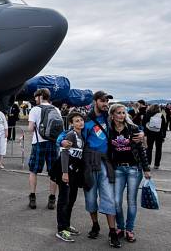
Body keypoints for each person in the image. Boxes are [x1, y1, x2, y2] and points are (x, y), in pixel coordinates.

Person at [57, 91, 143, 248]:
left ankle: (112, 231)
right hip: (88, 163)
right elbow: (66, 133)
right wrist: (61, 141)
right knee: (90, 199)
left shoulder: (109, 118)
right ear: (95, 101)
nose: (106, 104)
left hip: (105, 162)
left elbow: (129, 125)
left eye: (107, 101)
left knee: (109, 197)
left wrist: (141, 133)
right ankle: (95, 225)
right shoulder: (86, 120)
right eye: (103, 101)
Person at [107, 104, 150, 243]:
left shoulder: (133, 129)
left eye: (123, 113)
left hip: (133, 169)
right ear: (112, 115)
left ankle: (129, 229)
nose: (122, 115)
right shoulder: (109, 130)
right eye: (118, 113)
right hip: (118, 169)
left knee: (131, 201)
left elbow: (141, 150)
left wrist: (146, 169)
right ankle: (120, 227)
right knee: (116, 201)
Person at [53, 112, 86, 242]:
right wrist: (65, 172)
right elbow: (65, 153)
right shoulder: (71, 134)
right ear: (71, 123)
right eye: (77, 121)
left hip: (74, 172)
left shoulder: (81, 136)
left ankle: (66, 225)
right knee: (63, 200)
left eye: (81, 120)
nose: (80, 123)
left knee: (71, 199)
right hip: (65, 170)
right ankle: (61, 229)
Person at [27, 89, 59, 210]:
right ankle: (52, 199)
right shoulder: (56, 109)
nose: (35, 99)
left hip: (39, 143)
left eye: (36, 97)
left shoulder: (35, 109)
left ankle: (33, 197)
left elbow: (30, 128)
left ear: (40, 96)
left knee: (33, 170)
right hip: (52, 142)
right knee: (53, 172)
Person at [143, 104, 166, 169]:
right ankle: (156, 164)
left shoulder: (147, 114)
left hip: (149, 134)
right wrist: (163, 135)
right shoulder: (161, 115)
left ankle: (148, 163)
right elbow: (164, 126)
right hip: (159, 134)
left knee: (149, 149)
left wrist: (145, 133)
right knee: (159, 149)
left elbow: (143, 123)